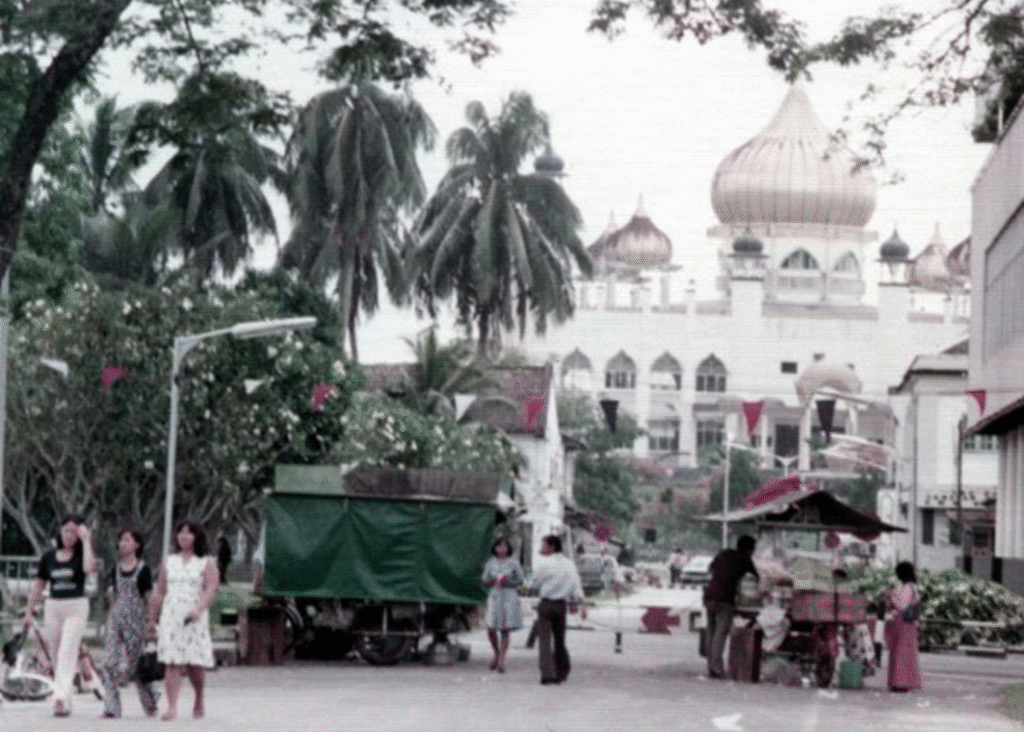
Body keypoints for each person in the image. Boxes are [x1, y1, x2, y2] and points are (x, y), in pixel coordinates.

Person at [22, 514, 97, 717]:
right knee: (56, 655)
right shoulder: (48, 557)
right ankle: (66, 700)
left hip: (76, 606)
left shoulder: (82, 555)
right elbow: (39, 585)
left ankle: (59, 697)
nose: (69, 535)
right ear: (60, 532)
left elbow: (89, 568)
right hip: (53, 606)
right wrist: (29, 611)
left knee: (67, 651)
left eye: (74, 531)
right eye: (66, 530)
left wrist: (87, 540)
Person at [148, 520, 218, 720]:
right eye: (181, 532)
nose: (184, 536)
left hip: (193, 615)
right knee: (172, 661)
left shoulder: (206, 562)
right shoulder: (169, 562)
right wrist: (152, 619)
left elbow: (210, 588)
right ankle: (172, 706)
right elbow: (160, 591)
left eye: (189, 533)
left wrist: (199, 609)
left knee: (194, 663)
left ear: (197, 537)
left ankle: (199, 696)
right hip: (171, 615)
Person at [101, 527, 158, 718]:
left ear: (137, 544)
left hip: (135, 619)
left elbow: (150, 596)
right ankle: (111, 706)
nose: (123, 544)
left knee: (136, 666)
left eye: (128, 540)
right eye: (121, 540)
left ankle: (150, 701)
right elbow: (112, 592)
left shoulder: (143, 569)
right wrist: (113, 610)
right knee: (110, 662)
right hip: (116, 618)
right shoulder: (116, 568)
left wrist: (151, 621)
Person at [528, 534, 586, 685]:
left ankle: (547, 673)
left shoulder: (544, 563)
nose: (541, 548)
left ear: (552, 547)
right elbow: (575, 585)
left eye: (544, 545)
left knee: (545, 640)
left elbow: (534, 583)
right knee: (560, 639)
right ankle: (561, 671)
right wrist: (577, 602)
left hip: (546, 604)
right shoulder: (569, 564)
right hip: (561, 605)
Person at [702, 535, 758, 679]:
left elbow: (711, 569)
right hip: (725, 600)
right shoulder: (744, 558)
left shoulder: (724, 553)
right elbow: (756, 577)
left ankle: (711, 667)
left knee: (711, 631)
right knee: (720, 633)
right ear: (749, 549)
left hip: (709, 597)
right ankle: (716, 668)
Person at [481, 537, 524, 673]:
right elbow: (484, 580)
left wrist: (509, 581)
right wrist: (491, 580)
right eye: (499, 546)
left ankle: (501, 660)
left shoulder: (513, 563)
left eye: (504, 546)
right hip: (495, 596)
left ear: (508, 548)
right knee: (491, 628)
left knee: (505, 629)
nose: (502, 549)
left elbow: (520, 580)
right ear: (495, 548)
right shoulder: (490, 563)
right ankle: (496, 652)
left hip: (508, 596)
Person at [884, 560, 922, 692]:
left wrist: (892, 597)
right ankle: (905, 682)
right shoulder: (913, 587)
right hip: (909, 625)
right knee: (907, 653)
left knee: (900, 653)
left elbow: (901, 606)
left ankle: (900, 683)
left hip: (903, 625)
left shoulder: (906, 588)